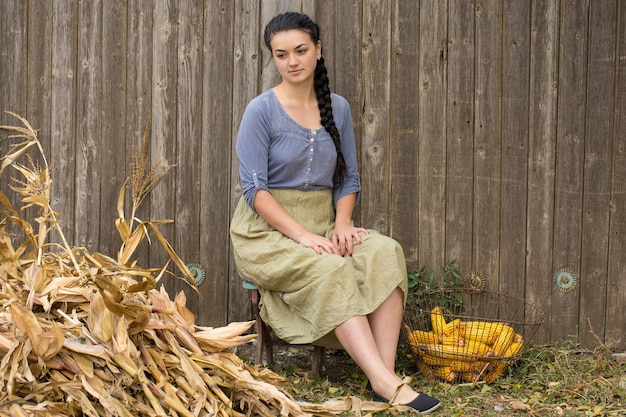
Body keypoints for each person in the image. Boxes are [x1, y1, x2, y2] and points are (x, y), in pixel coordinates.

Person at [229, 11, 441, 414]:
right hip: (266, 233)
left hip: (326, 221)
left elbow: (348, 177)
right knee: (330, 268)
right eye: (281, 54)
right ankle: (386, 382)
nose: (292, 61)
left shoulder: (337, 107)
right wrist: (303, 236)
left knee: (385, 251)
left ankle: (384, 377)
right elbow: (255, 191)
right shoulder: (260, 111)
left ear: (318, 50)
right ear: (273, 58)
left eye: (301, 50)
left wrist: (342, 223)